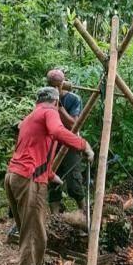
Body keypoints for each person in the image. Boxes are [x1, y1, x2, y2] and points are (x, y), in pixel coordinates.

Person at [5, 86, 94, 265]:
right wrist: (84, 145)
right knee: (35, 237)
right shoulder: (49, 112)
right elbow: (57, 131)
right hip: (28, 179)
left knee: (31, 233)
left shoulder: (30, 117)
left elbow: (32, 149)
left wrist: (51, 175)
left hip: (13, 177)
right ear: (55, 102)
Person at [45, 69, 86, 215]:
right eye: (52, 85)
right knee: (52, 180)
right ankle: (55, 219)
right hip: (52, 144)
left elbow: (73, 125)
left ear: (64, 83)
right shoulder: (45, 98)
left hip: (70, 144)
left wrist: (59, 107)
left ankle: (84, 214)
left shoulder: (74, 99)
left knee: (74, 182)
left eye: (58, 85)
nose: (56, 88)